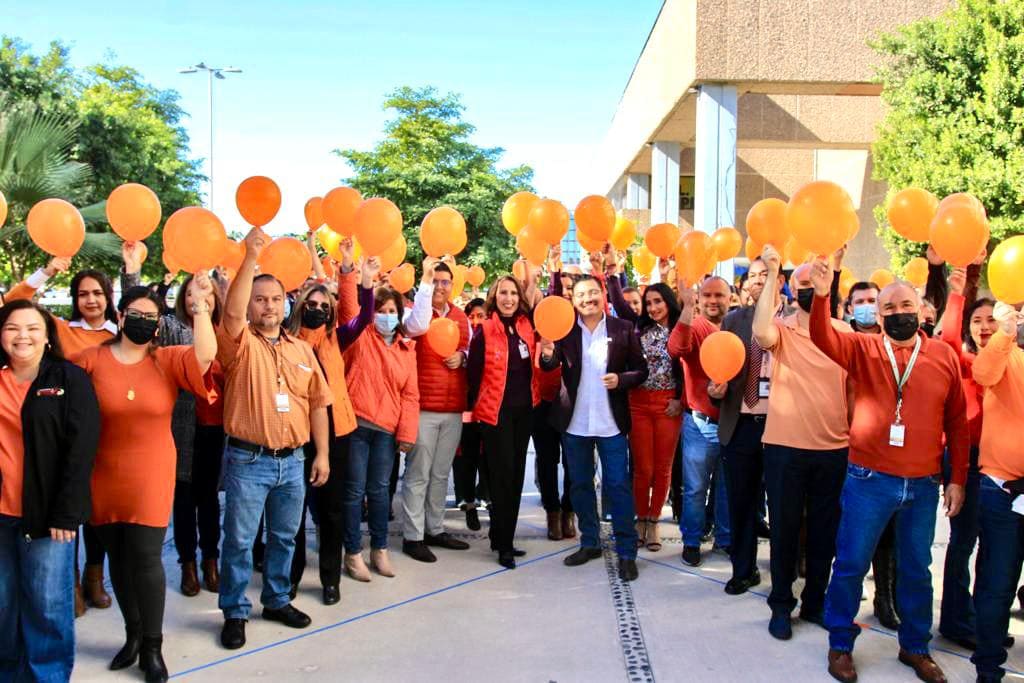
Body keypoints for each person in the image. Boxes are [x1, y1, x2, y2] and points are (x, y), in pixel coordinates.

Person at [806, 259, 968, 683]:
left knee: (916, 569)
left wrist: (957, 478)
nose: (898, 313)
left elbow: (957, 423)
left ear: (922, 310)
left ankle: (915, 647)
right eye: (888, 308)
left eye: (905, 305)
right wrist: (823, 295)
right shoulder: (862, 348)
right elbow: (822, 336)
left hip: (922, 484)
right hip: (868, 480)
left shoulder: (943, 356)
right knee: (851, 565)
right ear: (877, 316)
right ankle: (840, 644)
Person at [74, 278, 216, 682]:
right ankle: (132, 635)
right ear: (120, 317)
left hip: (151, 472)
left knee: (147, 557)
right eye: (134, 314)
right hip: (103, 474)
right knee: (117, 558)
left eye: (150, 318)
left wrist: (203, 308)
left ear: (158, 325)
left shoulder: (168, 359)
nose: (141, 322)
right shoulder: (90, 360)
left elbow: (205, 355)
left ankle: (153, 647)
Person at [216, 228, 332, 651]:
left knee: (286, 537)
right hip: (249, 461)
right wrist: (251, 257)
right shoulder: (239, 343)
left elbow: (318, 402)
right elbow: (229, 316)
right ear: (249, 304)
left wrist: (322, 454)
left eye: (275, 299)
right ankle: (234, 610)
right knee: (241, 541)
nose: (268, 305)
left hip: (294, 462)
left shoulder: (302, 349)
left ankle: (277, 599)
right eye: (259, 299)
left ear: (287, 304)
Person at [8, 254, 122, 616]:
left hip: (109, 430)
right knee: (64, 502)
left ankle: (94, 577)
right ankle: (69, 581)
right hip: (59, 428)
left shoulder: (119, 332)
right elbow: (14, 308)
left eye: (98, 293)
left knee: (96, 509)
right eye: (83, 293)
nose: (91, 300)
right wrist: (47, 271)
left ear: (107, 296)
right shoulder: (59, 329)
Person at [752, 248, 851, 641]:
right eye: (803, 284)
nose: (810, 290)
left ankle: (814, 602)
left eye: (816, 283)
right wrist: (774, 271)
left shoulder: (844, 334)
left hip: (834, 449)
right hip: (785, 448)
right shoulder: (782, 329)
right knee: (786, 530)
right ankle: (780, 604)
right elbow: (760, 332)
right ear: (792, 290)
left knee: (825, 532)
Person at [0, 300, 99, 682]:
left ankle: (48, 677)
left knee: (47, 605)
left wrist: (67, 512)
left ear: (46, 337)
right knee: (4, 605)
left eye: (32, 328)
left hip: (47, 517)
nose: (22, 335)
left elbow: (82, 447)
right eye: (11, 327)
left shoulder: (67, 378)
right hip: (2, 514)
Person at [121, 242, 226, 599]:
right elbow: (139, 312)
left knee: (209, 498)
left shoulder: (225, 336)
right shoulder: (173, 330)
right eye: (197, 298)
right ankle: (188, 564)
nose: (203, 304)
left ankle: (211, 559)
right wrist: (132, 270)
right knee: (183, 500)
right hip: (180, 429)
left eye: (209, 299)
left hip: (216, 429)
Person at [539, 274, 648, 581]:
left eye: (593, 293)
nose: (587, 299)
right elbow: (550, 365)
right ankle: (590, 543)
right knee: (580, 486)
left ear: (603, 295)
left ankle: (627, 551)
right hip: (574, 423)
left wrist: (621, 380)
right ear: (573, 300)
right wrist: (547, 354)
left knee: (617, 487)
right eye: (580, 295)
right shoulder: (564, 331)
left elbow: (642, 370)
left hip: (611, 423)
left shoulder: (623, 329)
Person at [285, 243, 374, 603]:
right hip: (295, 435)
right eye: (312, 304)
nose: (318, 310)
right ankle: (290, 577)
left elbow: (365, 317)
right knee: (292, 513)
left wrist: (357, 275)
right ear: (300, 305)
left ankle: (329, 580)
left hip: (339, 433)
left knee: (332, 511)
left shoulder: (337, 339)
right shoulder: (286, 342)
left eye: (324, 306)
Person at [339, 272, 419, 577]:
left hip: (386, 430)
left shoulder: (406, 350)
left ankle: (380, 549)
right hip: (357, 425)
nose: (386, 317)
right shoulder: (360, 336)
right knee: (353, 490)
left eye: (391, 312)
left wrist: (407, 433)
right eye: (380, 311)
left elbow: (411, 395)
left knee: (380, 491)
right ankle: (353, 551)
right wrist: (353, 275)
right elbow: (349, 307)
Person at [713, 257, 785, 595]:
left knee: (782, 505)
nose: (757, 280)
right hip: (740, 424)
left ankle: (784, 575)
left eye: (765, 274)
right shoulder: (732, 321)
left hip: (784, 427)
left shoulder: (793, 321)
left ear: (779, 280)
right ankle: (744, 569)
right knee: (741, 502)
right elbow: (719, 366)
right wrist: (717, 389)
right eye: (752, 276)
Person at [606, 251, 682, 551]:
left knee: (663, 468)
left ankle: (653, 523)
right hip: (638, 402)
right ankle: (639, 519)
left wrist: (680, 399)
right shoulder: (637, 327)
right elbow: (621, 304)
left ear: (668, 302)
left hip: (668, 405)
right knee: (642, 468)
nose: (652, 307)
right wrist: (613, 273)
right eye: (648, 303)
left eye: (657, 301)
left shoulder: (679, 327)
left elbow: (688, 368)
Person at [936, 265, 995, 650]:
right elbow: (948, 338)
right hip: (968, 463)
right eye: (979, 320)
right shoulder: (964, 363)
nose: (985, 326)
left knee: (995, 551)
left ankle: (981, 619)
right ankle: (955, 621)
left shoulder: (1014, 361)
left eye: (992, 319)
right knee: (964, 543)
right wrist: (958, 294)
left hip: (1004, 470)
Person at [400, 260, 472, 561]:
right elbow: (413, 329)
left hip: (453, 407)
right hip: (423, 407)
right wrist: (425, 287)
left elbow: (469, 347)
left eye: (446, 281)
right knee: (418, 474)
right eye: (436, 280)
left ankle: (435, 528)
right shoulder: (417, 311)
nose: (441, 286)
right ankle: (413, 536)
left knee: (441, 474)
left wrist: (463, 356)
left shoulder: (460, 317)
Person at [467, 276, 539, 569]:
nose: (508, 298)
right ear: (494, 297)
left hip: (525, 412)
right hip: (495, 414)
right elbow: (473, 375)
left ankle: (501, 535)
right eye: (502, 293)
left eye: (513, 293)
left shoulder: (526, 327)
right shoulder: (484, 330)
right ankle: (505, 544)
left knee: (517, 475)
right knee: (501, 478)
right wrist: (477, 412)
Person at [970, 302, 1024, 682]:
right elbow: (982, 371)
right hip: (1002, 491)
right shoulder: (1006, 354)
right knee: (996, 585)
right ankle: (988, 668)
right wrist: (1005, 331)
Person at [667, 276, 733, 567]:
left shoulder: (738, 328)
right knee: (695, 489)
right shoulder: (695, 326)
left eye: (719, 294)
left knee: (727, 488)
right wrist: (686, 307)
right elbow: (676, 348)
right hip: (700, 424)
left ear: (730, 298)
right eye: (706, 295)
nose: (713, 300)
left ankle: (726, 539)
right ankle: (692, 541)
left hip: (733, 425)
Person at [453, 298, 490, 530]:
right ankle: (468, 504)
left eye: (481, 316)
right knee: (464, 460)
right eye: (472, 316)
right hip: (465, 410)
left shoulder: (495, 341)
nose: (476, 321)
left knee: (486, 459)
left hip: (487, 411)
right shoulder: (459, 341)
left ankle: (484, 495)